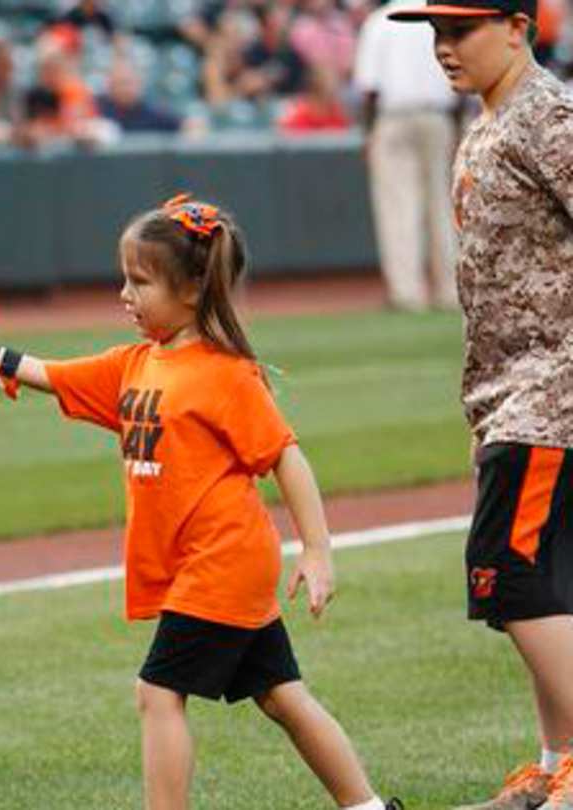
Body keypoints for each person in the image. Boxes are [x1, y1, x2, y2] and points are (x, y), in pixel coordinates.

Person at [0, 196, 402, 810]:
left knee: (157, 693)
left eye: (141, 281)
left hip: (223, 561)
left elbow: (286, 456)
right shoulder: (135, 364)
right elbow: (47, 373)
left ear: (194, 288)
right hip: (208, 564)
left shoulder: (226, 374)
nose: (125, 293)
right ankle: (366, 807)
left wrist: (316, 550)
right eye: (125, 278)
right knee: (282, 696)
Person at [388, 1, 573, 808]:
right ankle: (556, 768)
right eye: (434, 33)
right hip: (512, 396)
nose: (442, 48)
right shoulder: (492, 121)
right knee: (551, 585)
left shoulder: (548, 115)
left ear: (516, 26)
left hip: (554, 391)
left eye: (459, 30)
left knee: (508, 575)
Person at [353, 0, 459, 312]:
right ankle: (450, 290)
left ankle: (407, 293)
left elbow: (369, 88)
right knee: (443, 207)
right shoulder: (441, 17)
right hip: (440, 116)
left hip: (393, 117)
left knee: (399, 207)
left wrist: (368, 133)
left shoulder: (379, 20)